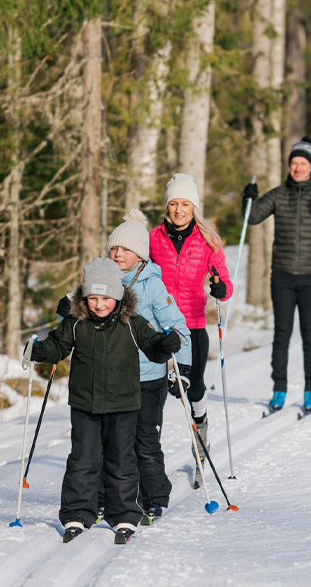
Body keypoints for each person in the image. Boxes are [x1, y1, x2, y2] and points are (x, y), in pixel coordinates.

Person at [31, 258, 181, 545]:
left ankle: (124, 513)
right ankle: (77, 513)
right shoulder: (76, 323)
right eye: (93, 298)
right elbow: (57, 345)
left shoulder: (132, 323)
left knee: (121, 460)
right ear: (84, 297)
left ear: (118, 296)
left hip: (123, 405)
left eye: (106, 298)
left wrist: (165, 345)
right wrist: (40, 351)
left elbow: (153, 347)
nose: (99, 305)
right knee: (82, 459)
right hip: (84, 405)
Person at [58, 210, 193, 524]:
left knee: (143, 440)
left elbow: (178, 328)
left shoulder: (152, 287)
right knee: (107, 444)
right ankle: (103, 499)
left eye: (126, 249)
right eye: (114, 248)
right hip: (110, 380)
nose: (118, 253)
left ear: (141, 255)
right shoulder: (100, 278)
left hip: (147, 377)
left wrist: (181, 369)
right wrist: (65, 309)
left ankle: (152, 498)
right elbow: (77, 316)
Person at [242, 137, 311, 414]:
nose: (298, 168)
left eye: (303, 163)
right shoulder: (279, 194)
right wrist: (248, 198)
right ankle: (279, 389)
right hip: (283, 277)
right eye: (294, 163)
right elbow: (252, 217)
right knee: (282, 334)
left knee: (310, 335)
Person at [149, 173, 233, 452]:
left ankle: (201, 429)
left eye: (185, 204)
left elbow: (225, 283)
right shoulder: (152, 239)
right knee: (155, 392)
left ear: (193, 206)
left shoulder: (208, 240)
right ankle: (149, 449)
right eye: (174, 203)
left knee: (194, 389)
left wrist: (221, 288)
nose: (179, 210)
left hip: (192, 326)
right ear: (167, 205)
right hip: (158, 327)